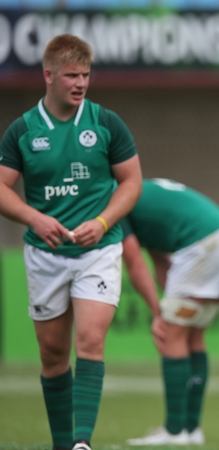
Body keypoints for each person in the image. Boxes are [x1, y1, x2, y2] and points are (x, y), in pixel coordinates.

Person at [0, 34, 142, 450]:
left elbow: (131, 182)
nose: (81, 83)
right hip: (44, 254)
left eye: (86, 75)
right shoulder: (23, 131)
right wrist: (33, 217)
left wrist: (102, 221)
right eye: (71, 76)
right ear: (48, 75)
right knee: (52, 355)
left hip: (98, 251)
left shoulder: (105, 122)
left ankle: (82, 442)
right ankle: (63, 443)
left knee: (91, 340)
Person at [122, 178, 219, 446]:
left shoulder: (114, 199)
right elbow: (159, 260)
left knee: (172, 336)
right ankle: (191, 429)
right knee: (193, 336)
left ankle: (174, 430)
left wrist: (159, 315)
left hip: (203, 244)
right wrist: (166, 308)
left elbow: (133, 261)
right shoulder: (139, 194)